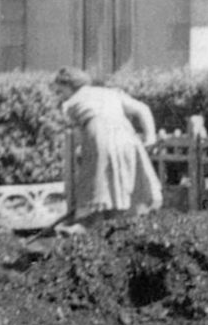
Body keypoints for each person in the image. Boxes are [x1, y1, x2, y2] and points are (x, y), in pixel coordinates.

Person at [53, 66, 163, 219]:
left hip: (98, 136)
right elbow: (143, 109)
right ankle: (126, 220)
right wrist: (150, 137)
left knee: (97, 185)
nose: (60, 96)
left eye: (61, 91)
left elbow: (79, 137)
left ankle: (91, 221)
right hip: (126, 136)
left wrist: (80, 151)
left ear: (70, 86)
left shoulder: (70, 104)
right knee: (127, 182)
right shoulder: (111, 93)